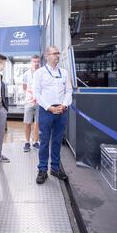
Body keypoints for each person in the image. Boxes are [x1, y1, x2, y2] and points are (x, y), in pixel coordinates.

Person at [33, 46, 73, 184]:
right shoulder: (39, 73)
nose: (57, 56)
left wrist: (65, 105)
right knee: (44, 141)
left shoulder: (64, 72)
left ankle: (55, 168)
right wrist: (49, 108)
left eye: (58, 53)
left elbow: (69, 91)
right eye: (54, 53)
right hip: (46, 111)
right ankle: (42, 169)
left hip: (61, 111)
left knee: (57, 141)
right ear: (47, 56)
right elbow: (36, 93)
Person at [23, 54, 41, 152]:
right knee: (27, 122)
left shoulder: (42, 73)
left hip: (39, 102)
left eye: (37, 61)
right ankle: (27, 142)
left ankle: (35, 141)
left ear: (39, 62)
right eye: (34, 61)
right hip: (29, 102)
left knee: (38, 122)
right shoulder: (26, 74)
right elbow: (24, 87)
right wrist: (29, 95)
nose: (36, 63)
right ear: (31, 62)